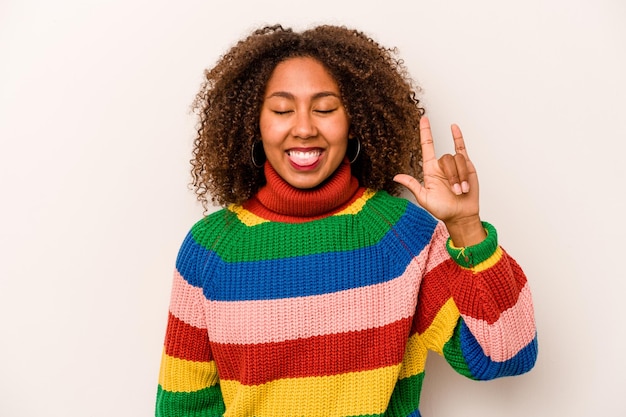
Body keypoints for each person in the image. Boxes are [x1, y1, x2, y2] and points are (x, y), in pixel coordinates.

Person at [155, 24, 538, 417]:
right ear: (255, 123)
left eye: (324, 108)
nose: (304, 128)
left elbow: (506, 354)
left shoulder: (401, 234)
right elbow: (183, 408)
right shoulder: (210, 248)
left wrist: (466, 227)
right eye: (283, 110)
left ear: (354, 120)